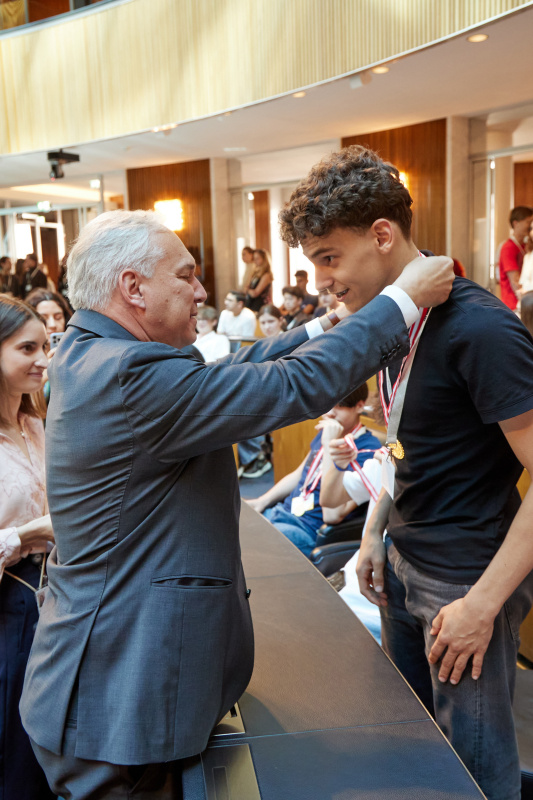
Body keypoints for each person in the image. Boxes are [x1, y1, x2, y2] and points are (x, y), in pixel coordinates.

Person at [20, 209, 452, 800]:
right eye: (186, 276)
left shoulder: (97, 353)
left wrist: (321, 325)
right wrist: (401, 300)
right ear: (133, 287)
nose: (201, 291)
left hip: (118, 678)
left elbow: (223, 375)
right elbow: (282, 389)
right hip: (116, 696)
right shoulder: (127, 374)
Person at [279, 144, 533, 800]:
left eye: (328, 257)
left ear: (382, 236)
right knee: (422, 754)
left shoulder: (479, 328)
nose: (322, 282)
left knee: (476, 769)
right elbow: (401, 441)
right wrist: (373, 537)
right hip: (402, 559)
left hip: (463, 579)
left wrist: (482, 603)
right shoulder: (395, 323)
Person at [0, 297, 55, 800]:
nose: (43, 358)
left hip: (50, 598)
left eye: (46, 346)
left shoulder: (37, 425)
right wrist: (30, 532)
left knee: (44, 737)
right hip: (7, 608)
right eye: (28, 348)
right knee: (13, 744)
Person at [247, 384, 380, 556]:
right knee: (231, 520)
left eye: (339, 406)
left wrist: (328, 445)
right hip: (283, 513)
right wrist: (262, 501)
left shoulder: (367, 451)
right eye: (327, 405)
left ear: (359, 406)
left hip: (308, 530)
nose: (330, 413)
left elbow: (332, 515)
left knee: (246, 541)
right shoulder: (328, 432)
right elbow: (299, 474)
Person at [498, 205, 533, 311]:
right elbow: (515, 282)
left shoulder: (524, 246)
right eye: (528, 222)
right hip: (514, 306)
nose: (529, 226)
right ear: (515, 223)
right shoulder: (508, 247)